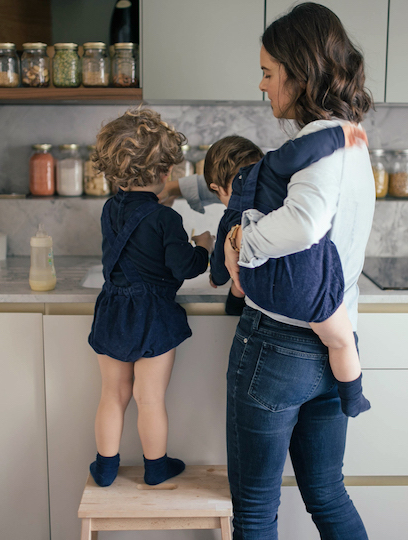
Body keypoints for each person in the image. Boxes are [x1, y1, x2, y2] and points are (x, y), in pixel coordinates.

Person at [166, 4, 375, 537]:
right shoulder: (350, 140)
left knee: (256, 509)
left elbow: (303, 225)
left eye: (267, 72)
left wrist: (241, 242)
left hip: (278, 345)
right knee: (327, 494)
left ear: (299, 74)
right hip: (336, 336)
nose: (261, 86)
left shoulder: (317, 150)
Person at [203, 128, 372, 419]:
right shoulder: (272, 168)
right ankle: (352, 396)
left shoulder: (230, 219)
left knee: (239, 279)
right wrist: (339, 135)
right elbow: (304, 149)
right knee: (342, 340)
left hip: (269, 299)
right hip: (307, 287)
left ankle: (235, 304)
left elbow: (220, 271)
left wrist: (215, 273)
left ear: (217, 187)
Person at [86, 108, 214, 487]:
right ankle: (156, 467)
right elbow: (183, 267)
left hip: (112, 310)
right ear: (163, 173)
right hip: (152, 317)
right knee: (149, 397)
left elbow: (133, 241)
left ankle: (105, 468)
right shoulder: (165, 219)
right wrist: (202, 247)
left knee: (113, 393)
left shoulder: (109, 209)